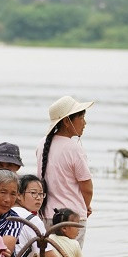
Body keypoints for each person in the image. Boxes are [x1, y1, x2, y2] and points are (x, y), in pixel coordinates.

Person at [35, 95, 94, 248]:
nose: (85, 123)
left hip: (48, 216)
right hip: (71, 219)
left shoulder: (42, 144)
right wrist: (86, 207)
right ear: (67, 122)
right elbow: (87, 188)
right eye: (81, 117)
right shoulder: (74, 148)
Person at [10, 174, 59, 257]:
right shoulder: (33, 220)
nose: (39, 197)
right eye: (33, 193)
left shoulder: (4, 213)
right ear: (18, 195)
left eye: (41, 194)